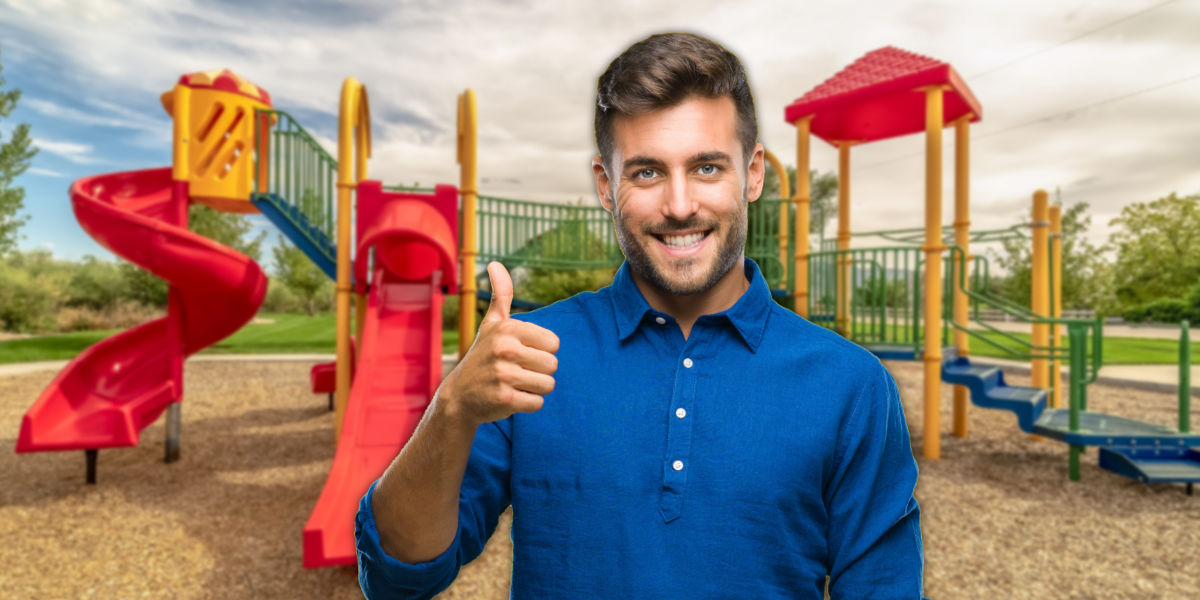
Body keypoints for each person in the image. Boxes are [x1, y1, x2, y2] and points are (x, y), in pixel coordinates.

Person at [356, 32, 923, 599]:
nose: (679, 206)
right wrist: (450, 408)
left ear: (752, 176)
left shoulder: (850, 386)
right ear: (607, 185)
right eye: (647, 172)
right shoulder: (529, 354)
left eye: (706, 168)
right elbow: (394, 577)